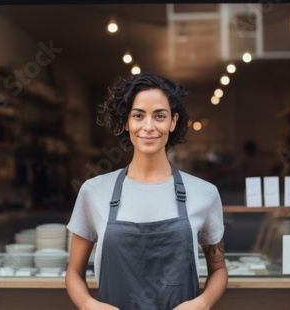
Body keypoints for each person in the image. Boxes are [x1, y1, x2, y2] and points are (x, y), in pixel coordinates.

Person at [66, 72, 228, 310]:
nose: (148, 126)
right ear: (126, 122)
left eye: (159, 116)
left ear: (173, 122)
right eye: (138, 115)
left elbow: (219, 269)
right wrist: (90, 305)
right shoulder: (94, 191)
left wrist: (202, 303)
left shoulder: (205, 193)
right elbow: (73, 272)